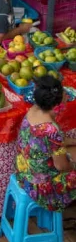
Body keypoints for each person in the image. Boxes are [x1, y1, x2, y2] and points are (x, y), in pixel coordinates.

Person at [16, 76, 76, 211]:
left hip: (25, 175)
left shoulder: (33, 111)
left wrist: (73, 142)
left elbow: (55, 143)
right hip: (42, 190)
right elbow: (61, 166)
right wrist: (73, 164)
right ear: (58, 103)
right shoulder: (51, 130)